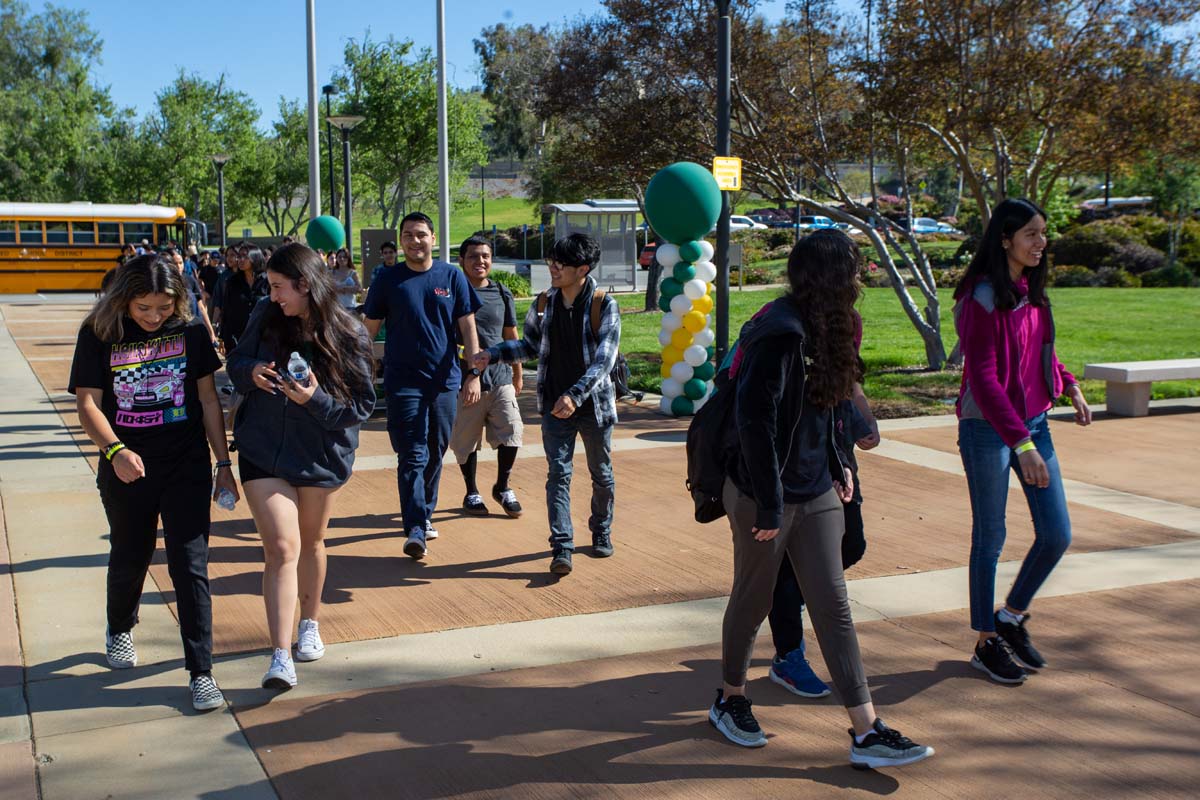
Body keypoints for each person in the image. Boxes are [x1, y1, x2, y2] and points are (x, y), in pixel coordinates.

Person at [708, 230, 933, 769]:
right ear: (830, 277)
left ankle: (866, 729)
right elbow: (754, 422)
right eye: (853, 269)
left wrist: (841, 463)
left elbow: (830, 405)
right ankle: (730, 697)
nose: (860, 278)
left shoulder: (836, 327)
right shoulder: (780, 331)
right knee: (753, 598)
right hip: (765, 492)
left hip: (815, 488)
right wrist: (768, 503)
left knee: (834, 607)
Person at [67, 253, 237, 712]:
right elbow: (88, 404)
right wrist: (114, 451)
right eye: (144, 308)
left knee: (190, 564)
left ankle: (201, 672)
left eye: (163, 308)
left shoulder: (190, 331)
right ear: (125, 299)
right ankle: (120, 625)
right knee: (131, 552)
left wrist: (223, 465)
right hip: (126, 465)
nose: (154, 317)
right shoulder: (99, 333)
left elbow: (206, 400)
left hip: (186, 464)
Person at [954, 198, 1091, 684]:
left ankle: (1010, 617)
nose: (1041, 242)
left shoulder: (1031, 290)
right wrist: (1022, 445)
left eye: (1043, 233)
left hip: (1034, 423)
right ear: (1006, 238)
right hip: (988, 428)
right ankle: (984, 641)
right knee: (990, 538)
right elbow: (985, 378)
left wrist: (1067, 383)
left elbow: (1040, 353)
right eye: (1031, 233)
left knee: (1057, 534)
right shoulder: (981, 296)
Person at [227, 243, 375, 690]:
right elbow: (234, 363)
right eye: (269, 287)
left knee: (310, 542)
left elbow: (361, 405)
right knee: (281, 547)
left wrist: (315, 401)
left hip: (319, 455)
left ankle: (309, 622)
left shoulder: (348, 332)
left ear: (305, 284)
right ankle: (280, 654)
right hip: (263, 450)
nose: (272, 295)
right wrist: (251, 371)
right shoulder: (264, 317)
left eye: (278, 287)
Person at [473, 234, 621, 576]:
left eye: (561, 264)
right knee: (558, 475)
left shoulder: (603, 305)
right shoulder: (544, 303)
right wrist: (492, 354)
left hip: (592, 406)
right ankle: (562, 546)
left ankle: (601, 528)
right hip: (555, 407)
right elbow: (528, 346)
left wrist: (576, 395)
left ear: (582, 269)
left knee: (603, 475)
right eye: (551, 262)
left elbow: (604, 362)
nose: (552, 268)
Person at [767, 325, 880, 698]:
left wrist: (863, 419)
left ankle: (792, 604)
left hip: (837, 448)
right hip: (797, 460)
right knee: (786, 563)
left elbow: (848, 378)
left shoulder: (847, 316)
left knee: (853, 545)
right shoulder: (786, 323)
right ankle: (787, 655)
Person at [362, 213, 482, 560]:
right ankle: (415, 526)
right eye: (408, 236)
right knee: (412, 454)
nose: (415, 241)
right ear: (401, 241)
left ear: (433, 238)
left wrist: (474, 370)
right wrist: (362, 364)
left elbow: (468, 327)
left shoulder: (452, 276)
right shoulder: (388, 279)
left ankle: (424, 514)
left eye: (421, 235)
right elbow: (368, 329)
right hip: (403, 383)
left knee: (435, 452)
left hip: (445, 382)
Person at [449, 236, 524, 517]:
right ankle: (471, 491)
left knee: (512, 431)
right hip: (463, 381)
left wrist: (518, 373)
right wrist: (468, 374)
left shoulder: (502, 292)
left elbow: (511, 336)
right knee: (466, 441)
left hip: (500, 376)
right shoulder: (453, 293)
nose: (480, 261)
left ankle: (502, 486)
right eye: (473, 256)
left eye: (485, 256)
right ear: (462, 261)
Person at [215, 245, 268, 353]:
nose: (240, 260)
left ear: (255, 258)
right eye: (239, 256)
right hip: (238, 338)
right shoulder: (232, 282)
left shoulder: (267, 281)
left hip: (264, 338)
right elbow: (226, 311)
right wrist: (222, 338)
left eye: (245, 256)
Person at [168, 246, 217, 345]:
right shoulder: (165, 283)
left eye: (180, 263)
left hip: (193, 328)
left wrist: (211, 331)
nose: (178, 266)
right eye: (175, 263)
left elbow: (201, 307)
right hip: (174, 334)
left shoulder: (190, 280)